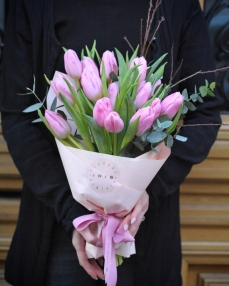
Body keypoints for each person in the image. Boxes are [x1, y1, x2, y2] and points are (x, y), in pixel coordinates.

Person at [0, 0, 223, 285]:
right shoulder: (33, 6)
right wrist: (76, 213)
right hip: (59, 236)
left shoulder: (176, 5)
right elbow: (18, 115)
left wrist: (145, 194)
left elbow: (204, 112)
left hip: (145, 234)